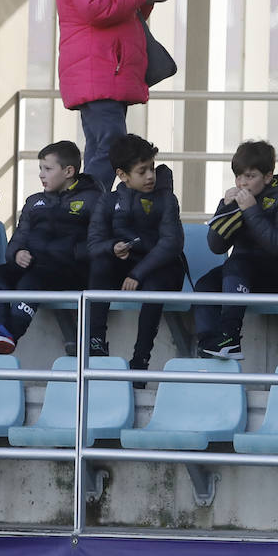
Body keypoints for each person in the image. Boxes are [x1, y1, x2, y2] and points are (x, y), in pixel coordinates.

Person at [54, 0, 178, 183]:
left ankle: (89, 209)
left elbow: (121, 12)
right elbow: (96, 9)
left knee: (102, 145)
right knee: (111, 145)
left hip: (105, 72)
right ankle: (93, 209)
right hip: (99, 71)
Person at [0, 140, 100, 354]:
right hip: (36, 265)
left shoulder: (92, 200)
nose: (41, 175)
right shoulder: (34, 202)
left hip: (70, 270)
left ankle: (9, 335)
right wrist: (17, 253)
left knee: (30, 280)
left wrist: (68, 253)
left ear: (68, 171)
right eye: (40, 169)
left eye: (48, 169)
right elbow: (18, 239)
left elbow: (97, 243)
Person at [194, 140, 278, 360]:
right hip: (242, 275)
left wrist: (252, 211)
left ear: (267, 176)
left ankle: (230, 337)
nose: (242, 183)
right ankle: (210, 343)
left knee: (237, 264)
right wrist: (225, 208)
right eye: (238, 176)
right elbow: (216, 246)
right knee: (206, 283)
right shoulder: (240, 199)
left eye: (250, 176)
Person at [87, 133, 185, 379]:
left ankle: (141, 360)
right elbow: (93, 244)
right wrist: (112, 247)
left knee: (154, 285)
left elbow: (171, 243)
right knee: (100, 265)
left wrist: (137, 274)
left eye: (152, 168)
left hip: (160, 269)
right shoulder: (108, 201)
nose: (151, 176)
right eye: (142, 171)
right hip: (127, 266)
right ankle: (95, 342)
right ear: (122, 175)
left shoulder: (166, 199)